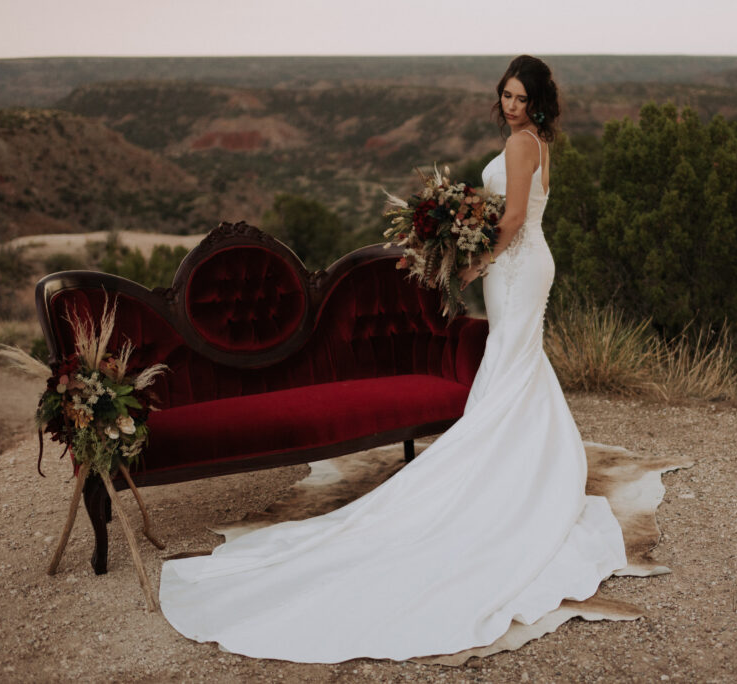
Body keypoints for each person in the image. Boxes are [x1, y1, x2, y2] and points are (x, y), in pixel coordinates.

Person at [157, 54, 628, 663]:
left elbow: (511, 219)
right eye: (504, 95)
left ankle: (507, 479)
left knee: (513, 365)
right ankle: (527, 470)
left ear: (535, 100)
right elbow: (518, 215)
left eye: (518, 97)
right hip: (529, 265)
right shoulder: (537, 144)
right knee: (516, 365)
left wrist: (476, 261)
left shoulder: (519, 146)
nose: (509, 105)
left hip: (514, 269)